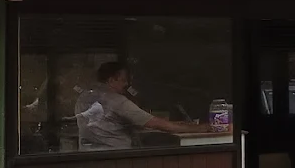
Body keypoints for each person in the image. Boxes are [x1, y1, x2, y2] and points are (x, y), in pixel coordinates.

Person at [75, 61, 205, 150]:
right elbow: (157, 124)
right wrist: (201, 128)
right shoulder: (116, 100)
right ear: (111, 80)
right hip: (115, 156)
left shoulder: (84, 97)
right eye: (124, 80)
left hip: (87, 155)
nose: (127, 85)